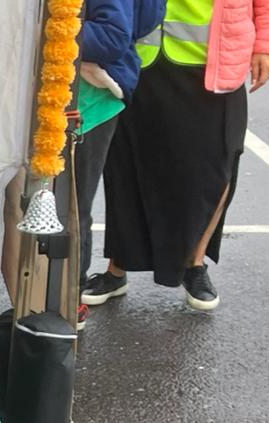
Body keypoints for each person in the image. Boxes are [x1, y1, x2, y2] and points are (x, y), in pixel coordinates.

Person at [82, 0, 269, 312]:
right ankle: (117, 268)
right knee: (126, 166)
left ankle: (194, 265)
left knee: (213, 167)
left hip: (212, 60)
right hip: (140, 56)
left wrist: (268, 45)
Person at [73, 0, 166, 324]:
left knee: (70, 205)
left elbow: (112, 37)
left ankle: (69, 299)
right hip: (65, 93)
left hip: (90, 99)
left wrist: (45, 31)